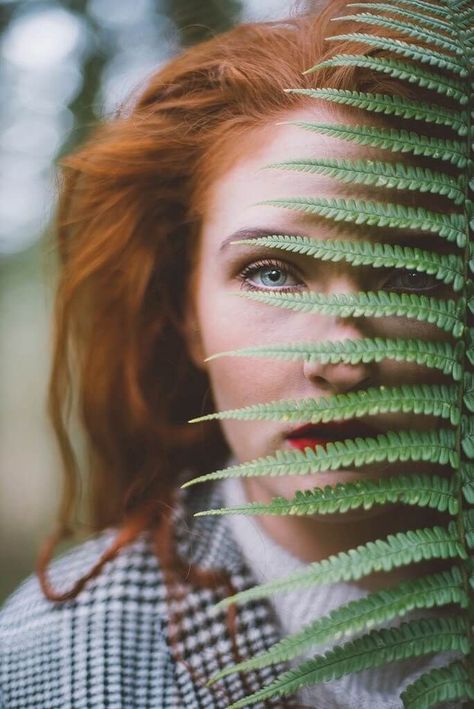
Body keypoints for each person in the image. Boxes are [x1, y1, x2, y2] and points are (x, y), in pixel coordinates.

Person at [0, 1, 467, 707]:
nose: (341, 362)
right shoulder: (55, 664)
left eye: (407, 272)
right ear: (187, 313)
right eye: (272, 271)